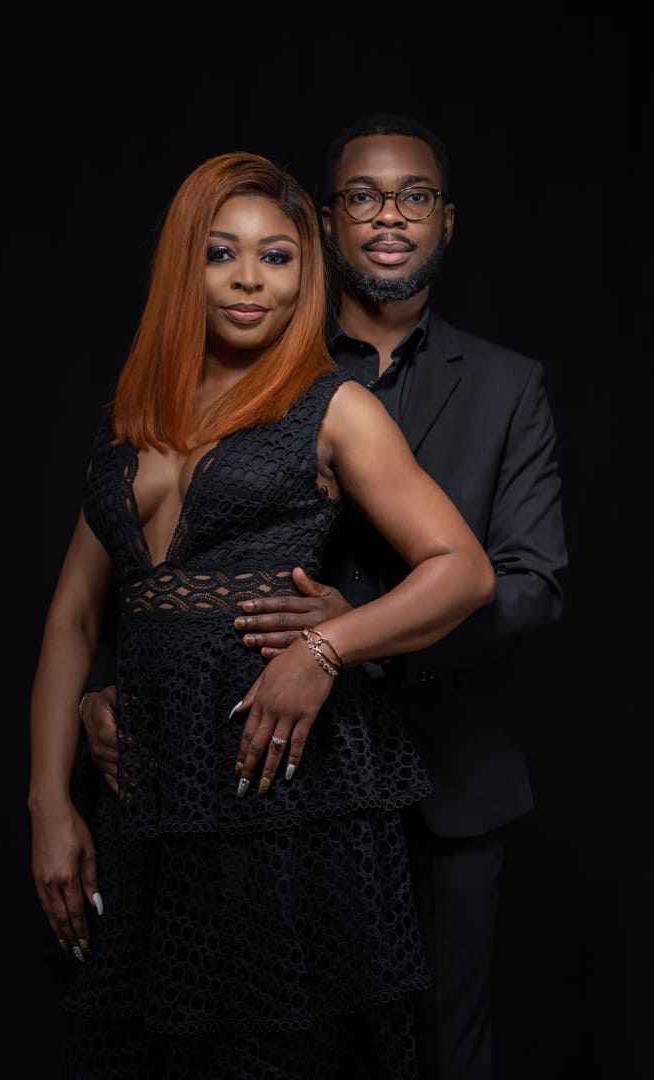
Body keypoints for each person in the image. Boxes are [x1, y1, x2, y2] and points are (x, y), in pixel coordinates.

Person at [81, 115, 569, 1079]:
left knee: (443, 1053)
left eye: (414, 196)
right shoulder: (261, 369)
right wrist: (117, 684)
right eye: (361, 197)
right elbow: (165, 551)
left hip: (450, 775)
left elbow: (528, 586)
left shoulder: (510, 387)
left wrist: (352, 645)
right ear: (328, 225)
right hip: (268, 777)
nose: (388, 215)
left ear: (446, 219)